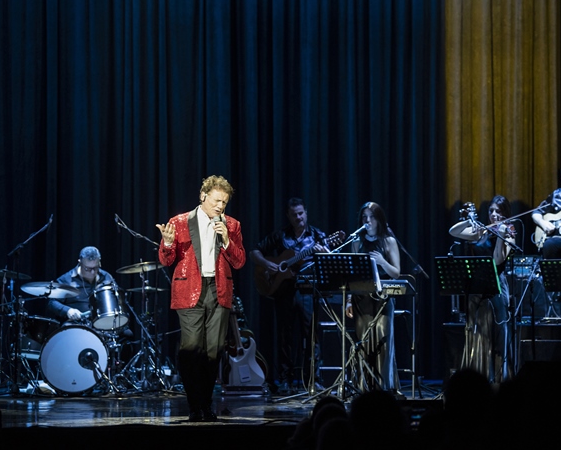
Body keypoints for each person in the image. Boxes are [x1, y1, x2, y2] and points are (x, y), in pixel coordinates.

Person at [156, 175, 246, 422]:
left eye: (224, 202)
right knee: (191, 348)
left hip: (219, 289)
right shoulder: (180, 222)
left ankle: (205, 404)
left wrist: (226, 240)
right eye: (216, 200)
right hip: (189, 288)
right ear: (203, 196)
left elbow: (239, 261)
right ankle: (195, 404)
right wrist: (167, 243)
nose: (220, 206)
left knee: (213, 350)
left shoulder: (231, 225)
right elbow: (166, 260)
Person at [250, 197, 331, 394]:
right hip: (284, 292)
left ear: (306, 213)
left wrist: (324, 252)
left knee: (311, 336)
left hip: (307, 291)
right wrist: (268, 264)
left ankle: (313, 379)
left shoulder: (317, 236)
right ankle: (285, 380)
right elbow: (254, 252)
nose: (298, 218)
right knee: (285, 337)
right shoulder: (280, 235)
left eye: (301, 213)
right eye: (294, 215)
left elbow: (329, 261)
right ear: (288, 215)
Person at [449, 197, 515, 382]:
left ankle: (499, 379)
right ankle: (479, 376)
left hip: (496, 285)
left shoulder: (509, 232)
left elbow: (497, 261)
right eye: (491, 211)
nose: (494, 215)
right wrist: (470, 220)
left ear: (505, 213)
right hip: (476, 285)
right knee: (476, 331)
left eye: (498, 211)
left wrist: (501, 237)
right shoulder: (481, 231)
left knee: (497, 332)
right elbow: (453, 231)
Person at [345, 202, 401, 393]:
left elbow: (396, 273)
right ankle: (364, 388)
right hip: (361, 299)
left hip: (382, 298)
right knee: (363, 342)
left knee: (382, 342)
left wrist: (382, 261)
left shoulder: (388, 241)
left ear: (379, 219)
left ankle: (383, 388)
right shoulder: (356, 242)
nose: (367, 221)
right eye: (364, 217)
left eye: (372, 217)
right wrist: (349, 300)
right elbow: (352, 276)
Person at [47, 246, 127, 329]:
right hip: (76, 324)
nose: (92, 272)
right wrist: (68, 310)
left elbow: (117, 299)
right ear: (80, 263)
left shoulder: (106, 277)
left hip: (102, 323)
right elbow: (52, 302)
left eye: (95, 268)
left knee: (127, 333)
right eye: (87, 269)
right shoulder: (66, 280)